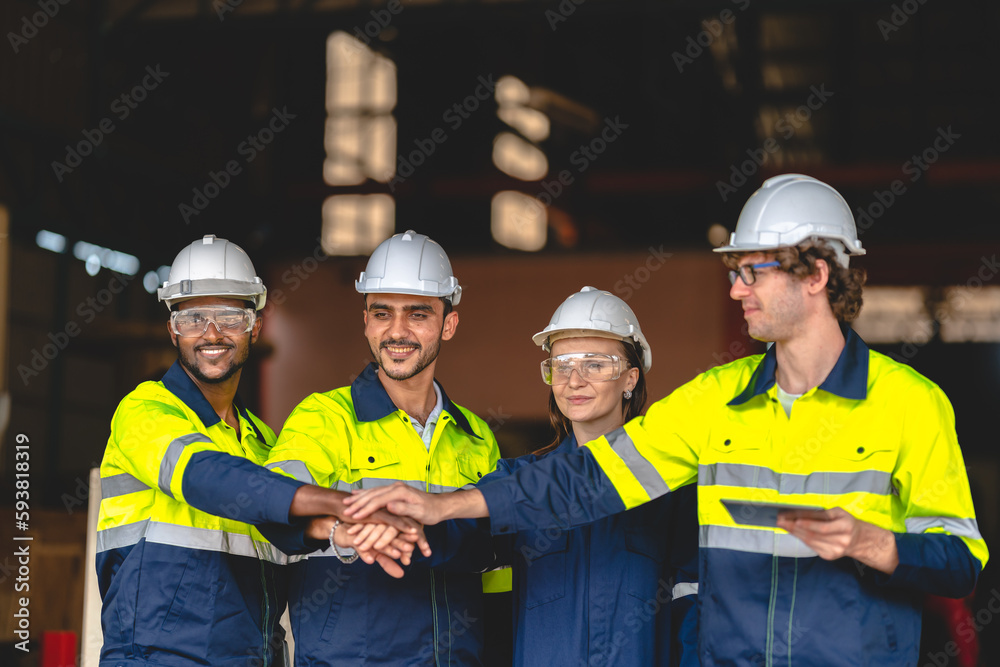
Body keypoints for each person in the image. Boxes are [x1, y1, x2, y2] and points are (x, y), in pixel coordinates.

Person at [344, 175, 989, 667]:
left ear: (817, 274)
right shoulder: (714, 401)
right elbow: (579, 482)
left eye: (752, 272)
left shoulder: (912, 403)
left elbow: (961, 560)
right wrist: (444, 507)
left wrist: (879, 546)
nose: (736, 289)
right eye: (736, 273)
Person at [96, 235, 419, 667]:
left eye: (230, 316)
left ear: (256, 326)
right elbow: (208, 477)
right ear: (173, 328)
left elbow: (277, 531)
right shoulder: (144, 411)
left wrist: (337, 532)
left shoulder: (263, 443)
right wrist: (345, 503)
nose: (211, 333)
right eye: (193, 318)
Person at [264, 230, 502, 666]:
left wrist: (421, 531)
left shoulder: (476, 436)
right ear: (366, 321)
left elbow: (495, 553)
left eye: (417, 314)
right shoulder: (325, 418)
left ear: (448, 324)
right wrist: (344, 527)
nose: (397, 331)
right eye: (382, 313)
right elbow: (273, 505)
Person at [484, 286, 699, 666]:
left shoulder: (673, 489)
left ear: (630, 379)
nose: (574, 380)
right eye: (562, 365)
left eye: (595, 364)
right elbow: (455, 542)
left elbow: (695, 612)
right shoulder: (519, 481)